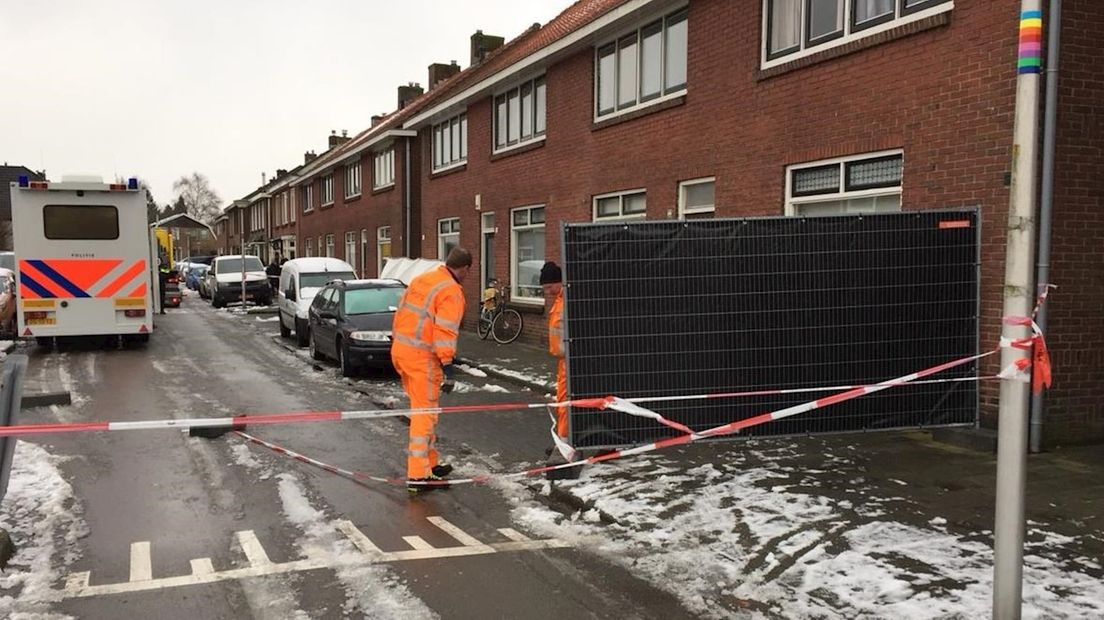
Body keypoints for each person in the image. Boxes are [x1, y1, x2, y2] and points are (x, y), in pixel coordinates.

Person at [391, 247, 472, 492]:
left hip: (402, 352)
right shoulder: (451, 291)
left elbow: (401, 312)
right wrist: (447, 365)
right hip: (422, 358)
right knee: (424, 415)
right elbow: (445, 332)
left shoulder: (423, 279)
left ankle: (430, 464)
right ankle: (417, 476)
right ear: (465, 268)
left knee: (425, 411)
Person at [541, 261, 568, 438]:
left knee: (565, 401)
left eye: (549, 287)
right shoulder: (559, 299)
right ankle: (563, 437)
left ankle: (565, 440)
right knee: (561, 399)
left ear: (559, 281)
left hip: (570, 360)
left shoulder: (568, 300)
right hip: (562, 360)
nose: (547, 292)